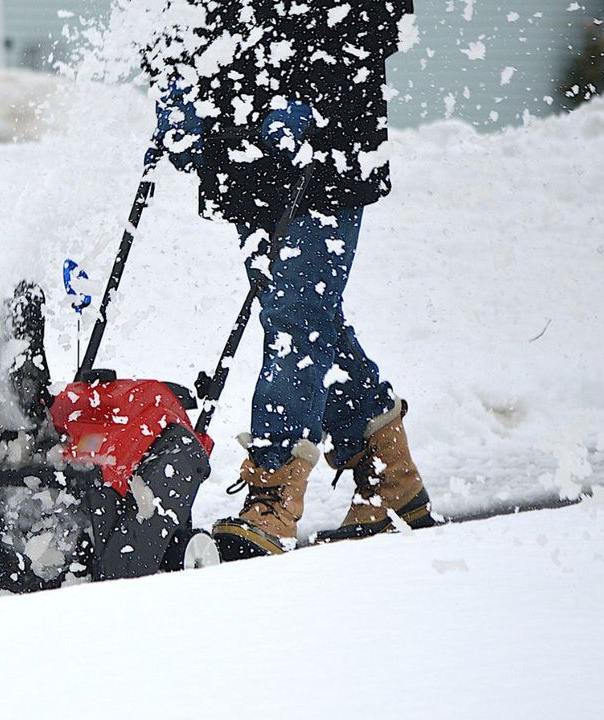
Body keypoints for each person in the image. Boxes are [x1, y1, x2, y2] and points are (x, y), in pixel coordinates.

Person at [142, 1, 435, 560]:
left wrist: (319, 84)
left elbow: (379, 15)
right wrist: (173, 75)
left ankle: (273, 493)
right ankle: (388, 474)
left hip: (325, 154)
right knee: (304, 317)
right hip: (240, 156)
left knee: (295, 318)